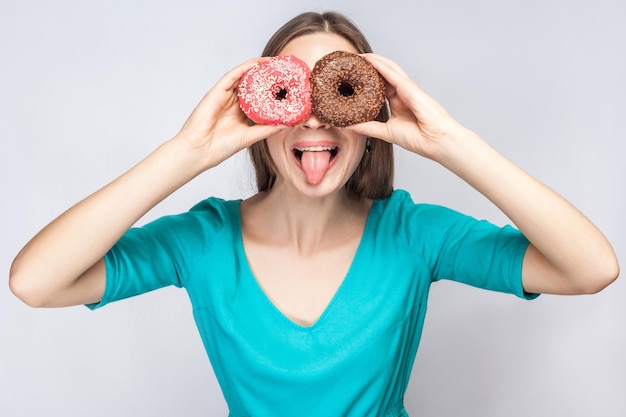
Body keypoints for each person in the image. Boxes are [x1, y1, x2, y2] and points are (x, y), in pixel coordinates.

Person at [9, 10, 619, 417]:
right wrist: (185, 153)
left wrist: (447, 139)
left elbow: (590, 268)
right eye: (291, 92)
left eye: (337, 92)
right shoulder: (204, 241)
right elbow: (36, 281)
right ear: (260, 113)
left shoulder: (413, 234)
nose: (315, 118)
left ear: (371, 120)